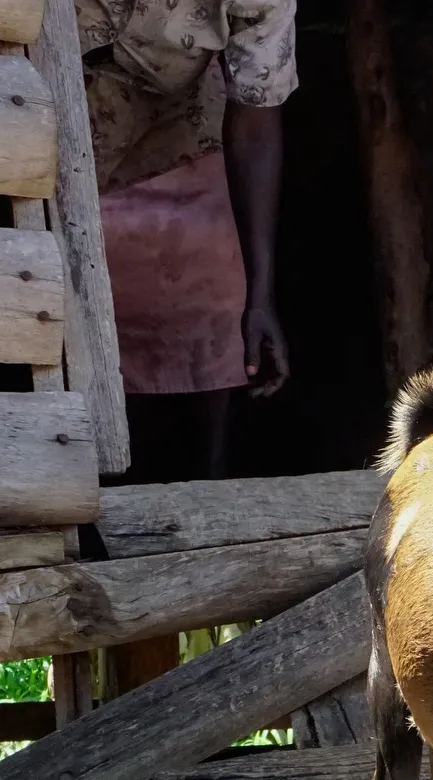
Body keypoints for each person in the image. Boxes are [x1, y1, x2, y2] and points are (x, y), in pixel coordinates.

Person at [79, 0, 297, 483]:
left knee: (211, 288)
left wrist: (259, 295)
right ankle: (93, 481)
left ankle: (209, 482)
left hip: (182, 124)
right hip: (51, 114)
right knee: (76, 307)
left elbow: (257, 123)